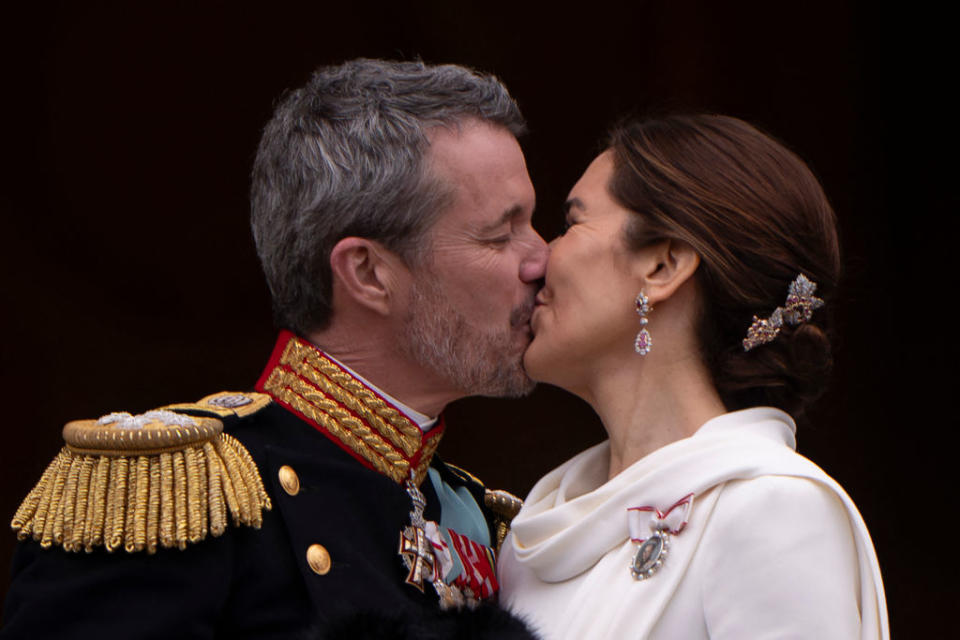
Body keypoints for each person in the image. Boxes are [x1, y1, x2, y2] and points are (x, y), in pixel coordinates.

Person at [2, 59, 546, 639]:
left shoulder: (475, 515)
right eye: (499, 234)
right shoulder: (180, 494)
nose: (541, 258)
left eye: (533, 223)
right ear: (367, 272)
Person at [497, 114, 888, 639]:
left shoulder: (770, 510)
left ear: (664, 266)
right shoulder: (531, 539)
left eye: (571, 224)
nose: (539, 257)